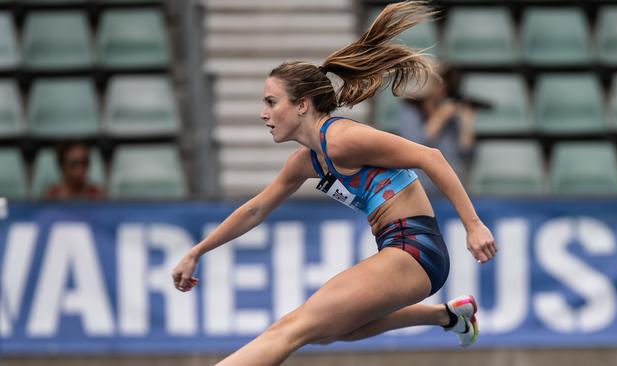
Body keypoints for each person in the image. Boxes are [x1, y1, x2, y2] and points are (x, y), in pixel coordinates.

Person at [172, 2, 497, 365]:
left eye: (270, 101)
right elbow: (256, 209)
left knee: (291, 328)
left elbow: (431, 157)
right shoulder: (307, 161)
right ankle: (449, 316)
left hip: (414, 248)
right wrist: (196, 251)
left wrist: (473, 226)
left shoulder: (342, 139)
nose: (263, 113)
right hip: (399, 249)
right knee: (331, 331)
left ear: (302, 105)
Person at [398, 66, 479, 192]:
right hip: (421, 188)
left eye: (445, 81)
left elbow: (466, 154)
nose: (443, 86)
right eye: (437, 82)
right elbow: (415, 146)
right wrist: (440, 117)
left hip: (452, 187)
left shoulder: (451, 114)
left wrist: (467, 124)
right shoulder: (410, 112)